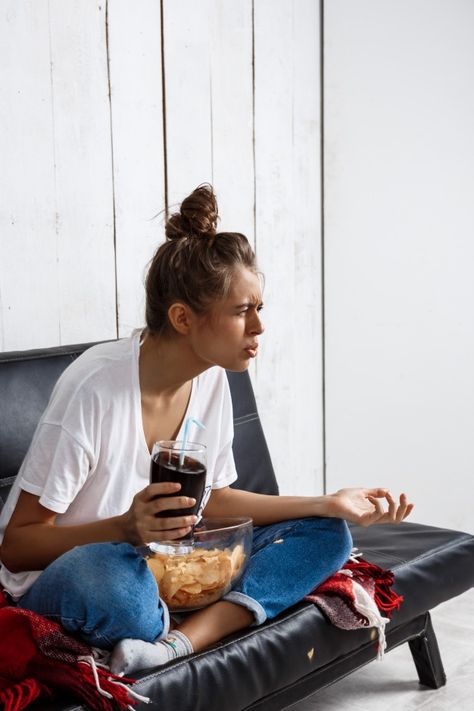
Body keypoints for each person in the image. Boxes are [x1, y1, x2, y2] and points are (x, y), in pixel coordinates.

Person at [0, 185, 414, 675]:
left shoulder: (212, 377)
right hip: (77, 572)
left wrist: (328, 503)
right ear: (182, 318)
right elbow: (17, 545)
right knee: (114, 584)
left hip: (163, 564)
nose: (259, 327)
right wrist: (126, 528)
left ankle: (175, 644)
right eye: (243, 311)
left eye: (260, 308)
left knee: (329, 536)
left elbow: (212, 501)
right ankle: (170, 613)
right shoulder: (95, 388)